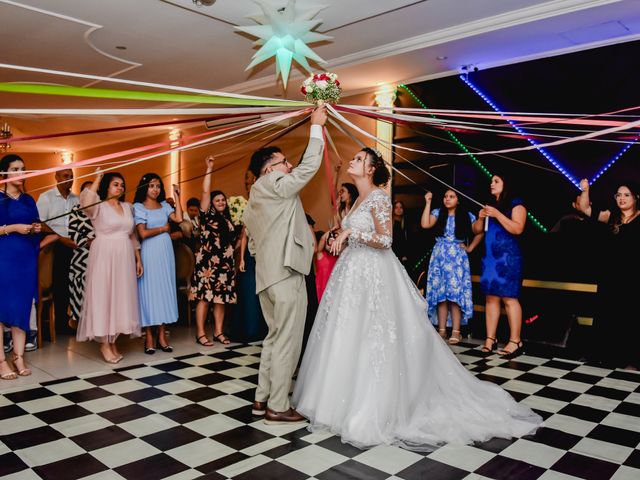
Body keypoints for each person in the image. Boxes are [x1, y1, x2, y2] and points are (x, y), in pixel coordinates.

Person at [292, 147, 541, 451]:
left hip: (373, 275)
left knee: (373, 336)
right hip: (352, 274)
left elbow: (386, 240)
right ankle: (336, 402)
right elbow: (358, 234)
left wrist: (351, 236)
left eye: (359, 159)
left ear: (370, 169)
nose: (354, 162)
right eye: (354, 159)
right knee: (347, 334)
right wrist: (338, 235)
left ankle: (373, 407)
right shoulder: (358, 200)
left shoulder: (380, 197)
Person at [242, 105, 327, 424]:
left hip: (268, 277)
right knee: (287, 341)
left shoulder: (253, 202)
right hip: (285, 274)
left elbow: (252, 247)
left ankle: (261, 400)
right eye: (283, 162)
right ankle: (279, 405)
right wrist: (315, 128)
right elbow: (306, 171)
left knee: (274, 339)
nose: (290, 165)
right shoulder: (271, 185)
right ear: (269, 170)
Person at [76, 169, 143, 363]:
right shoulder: (98, 206)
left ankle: (113, 340)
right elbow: (85, 201)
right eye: (116, 184)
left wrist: (138, 258)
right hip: (104, 254)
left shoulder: (128, 207)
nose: (120, 187)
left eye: (122, 185)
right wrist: (97, 178)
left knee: (119, 297)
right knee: (104, 296)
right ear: (107, 187)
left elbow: (132, 235)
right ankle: (104, 343)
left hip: (124, 256)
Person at [577, 179, 640, 369]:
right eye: (618, 195)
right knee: (607, 314)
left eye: (626, 195)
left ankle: (631, 359)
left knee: (631, 317)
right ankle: (605, 355)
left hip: (633, 278)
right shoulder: (610, 216)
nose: (621, 198)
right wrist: (585, 190)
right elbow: (584, 207)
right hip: (610, 276)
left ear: (636, 197)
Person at [472, 174, 527, 358]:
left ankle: (515, 340)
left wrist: (497, 214)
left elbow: (518, 228)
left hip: (508, 258)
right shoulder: (489, 204)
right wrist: (480, 218)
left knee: (509, 298)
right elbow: (476, 230)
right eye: (491, 181)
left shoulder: (516, 203)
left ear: (506, 184)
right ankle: (490, 339)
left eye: (496, 181)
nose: (491, 184)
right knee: (490, 298)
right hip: (490, 259)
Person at [421, 189, 483, 343]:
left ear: (458, 199)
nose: (447, 199)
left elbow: (479, 231)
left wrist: (470, 247)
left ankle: (456, 331)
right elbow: (425, 224)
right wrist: (428, 203)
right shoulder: (438, 212)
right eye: (445, 196)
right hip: (439, 257)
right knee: (441, 295)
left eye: (452, 197)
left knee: (455, 295)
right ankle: (441, 330)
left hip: (457, 258)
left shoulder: (467, 215)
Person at [0, 154, 41, 379]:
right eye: (16, 169)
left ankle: (18, 357)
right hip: (3, 259)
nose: (21, 173)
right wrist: (13, 227)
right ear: (4, 173)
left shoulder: (28, 200)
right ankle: (1, 361)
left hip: (26, 259)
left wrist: (36, 229)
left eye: (23, 168)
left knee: (22, 307)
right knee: (0, 308)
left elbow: (37, 226)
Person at [191, 158, 239, 347]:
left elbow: (234, 242)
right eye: (217, 200)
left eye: (223, 200)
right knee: (205, 297)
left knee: (221, 299)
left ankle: (218, 332)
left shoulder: (229, 220)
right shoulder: (207, 214)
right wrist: (209, 169)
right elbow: (205, 191)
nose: (221, 202)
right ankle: (201, 333)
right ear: (211, 203)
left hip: (225, 265)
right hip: (208, 264)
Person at [134, 173, 182, 354]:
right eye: (152, 186)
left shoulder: (164, 206)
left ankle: (162, 334)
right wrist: (164, 228)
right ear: (145, 188)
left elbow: (179, 218)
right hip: (149, 252)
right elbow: (143, 233)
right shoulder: (138, 207)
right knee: (149, 292)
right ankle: (149, 336)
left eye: (158, 186)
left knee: (164, 291)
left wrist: (177, 195)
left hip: (165, 252)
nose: (155, 189)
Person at [37, 168, 79, 338]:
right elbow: (39, 222)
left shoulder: (76, 199)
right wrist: (61, 238)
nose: (69, 179)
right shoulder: (46, 197)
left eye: (71, 177)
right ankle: (52, 325)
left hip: (73, 245)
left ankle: (66, 321)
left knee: (71, 283)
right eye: (65, 176)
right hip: (54, 245)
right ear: (56, 177)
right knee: (56, 284)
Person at [67, 181, 95, 330]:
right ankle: (81, 322)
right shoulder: (76, 210)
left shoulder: (100, 208)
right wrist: (87, 241)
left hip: (101, 253)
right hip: (82, 255)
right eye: (87, 191)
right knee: (81, 286)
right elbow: (71, 232)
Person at [392, 199, 410, 268]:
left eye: (401, 207)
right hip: (391, 254)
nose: (399, 209)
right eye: (396, 207)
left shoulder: (406, 223)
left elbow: (407, 241)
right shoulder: (390, 223)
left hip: (402, 256)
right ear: (393, 209)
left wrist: (405, 254)